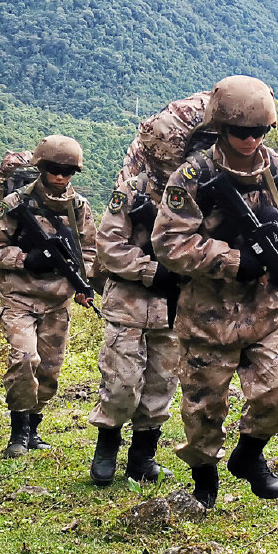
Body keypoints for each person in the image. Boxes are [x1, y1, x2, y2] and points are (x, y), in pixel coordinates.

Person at [150, 76, 278, 510]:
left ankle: (249, 455)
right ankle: (204, 475)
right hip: (208, 314)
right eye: (242, 131)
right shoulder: (193, 176)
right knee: (204, 410)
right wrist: (233, 261)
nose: (250, 139)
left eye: (259, 131)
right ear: (220, 128)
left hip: (264, 312)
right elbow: (169, 242)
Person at [0, 135, 99, 459]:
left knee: (49, 371)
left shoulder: (79, 208)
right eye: (53, 169)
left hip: (57, 302)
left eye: (67, 171)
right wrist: (25, 259)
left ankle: (33, 429)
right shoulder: (15, 205)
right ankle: (17, 432)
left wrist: (81, 284)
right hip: (19, 297)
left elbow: (89, 251)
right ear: (41, 167)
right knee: (23, 358)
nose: (60, 177)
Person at [89, 166, 182, 486]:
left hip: (172, 308)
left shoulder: (199, 191)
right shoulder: (132, 191)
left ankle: (143, 458)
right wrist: (152, 270)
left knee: (161, 385)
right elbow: (109, 247)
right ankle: (106, 450)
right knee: (120, 384)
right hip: (127, 307)